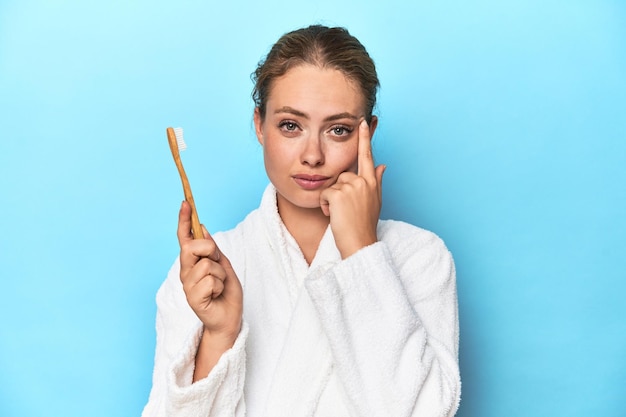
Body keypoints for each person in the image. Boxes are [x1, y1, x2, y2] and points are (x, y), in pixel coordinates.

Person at [142, 25, 460, 417]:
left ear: (368, 133)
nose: (313, 155)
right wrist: (219, 335)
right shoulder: (206, 274)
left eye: (338, 130)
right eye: (291, 125)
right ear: (260, 125)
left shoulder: (419, 257)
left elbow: (423, 411)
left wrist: (361, 253)